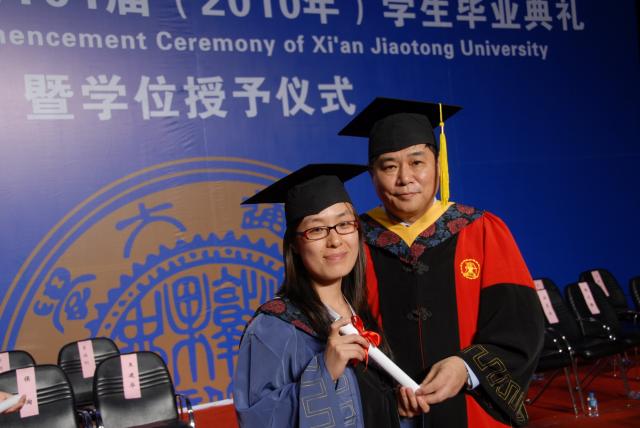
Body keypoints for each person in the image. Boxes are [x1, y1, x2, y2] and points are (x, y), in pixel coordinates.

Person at [338, 98, 544, 427]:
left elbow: (520, 328)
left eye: (417, 162)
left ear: (438, 163)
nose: (405, 178)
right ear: (372, 175)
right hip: (391, 416)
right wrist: (383, 396)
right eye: (389, 167)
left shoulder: (482, 231)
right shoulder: (351, 243)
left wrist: (467, 367)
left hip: (472, 413)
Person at [233, 164, 401, 428]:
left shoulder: (362, 314)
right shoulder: (273, 328)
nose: (335, 240)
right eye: (317, 230)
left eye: (344, 224)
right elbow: (256, 420)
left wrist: (399, 407)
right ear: (294, 245)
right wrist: (324, 373)